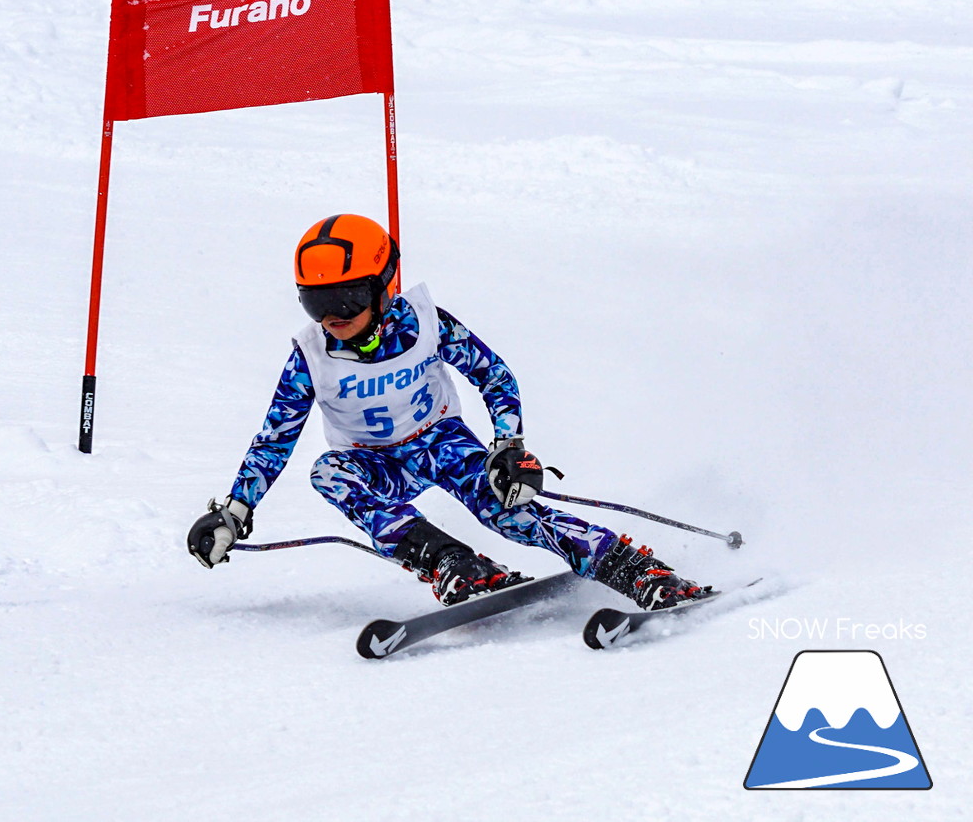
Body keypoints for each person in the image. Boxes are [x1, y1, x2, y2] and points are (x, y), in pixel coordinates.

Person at [187, 214, 710, 609]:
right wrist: (235, 512)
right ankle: (452, 562)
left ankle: (637, 571)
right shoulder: (311, 356)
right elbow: (274, 439)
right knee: (329, 474)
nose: (331, 317)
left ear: (380, 286)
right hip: (373, 463)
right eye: (313, 302)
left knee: (510, 514)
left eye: (345, 299)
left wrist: (509, 447)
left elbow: (495, 376)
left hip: (440, 441)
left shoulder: (427, 323)